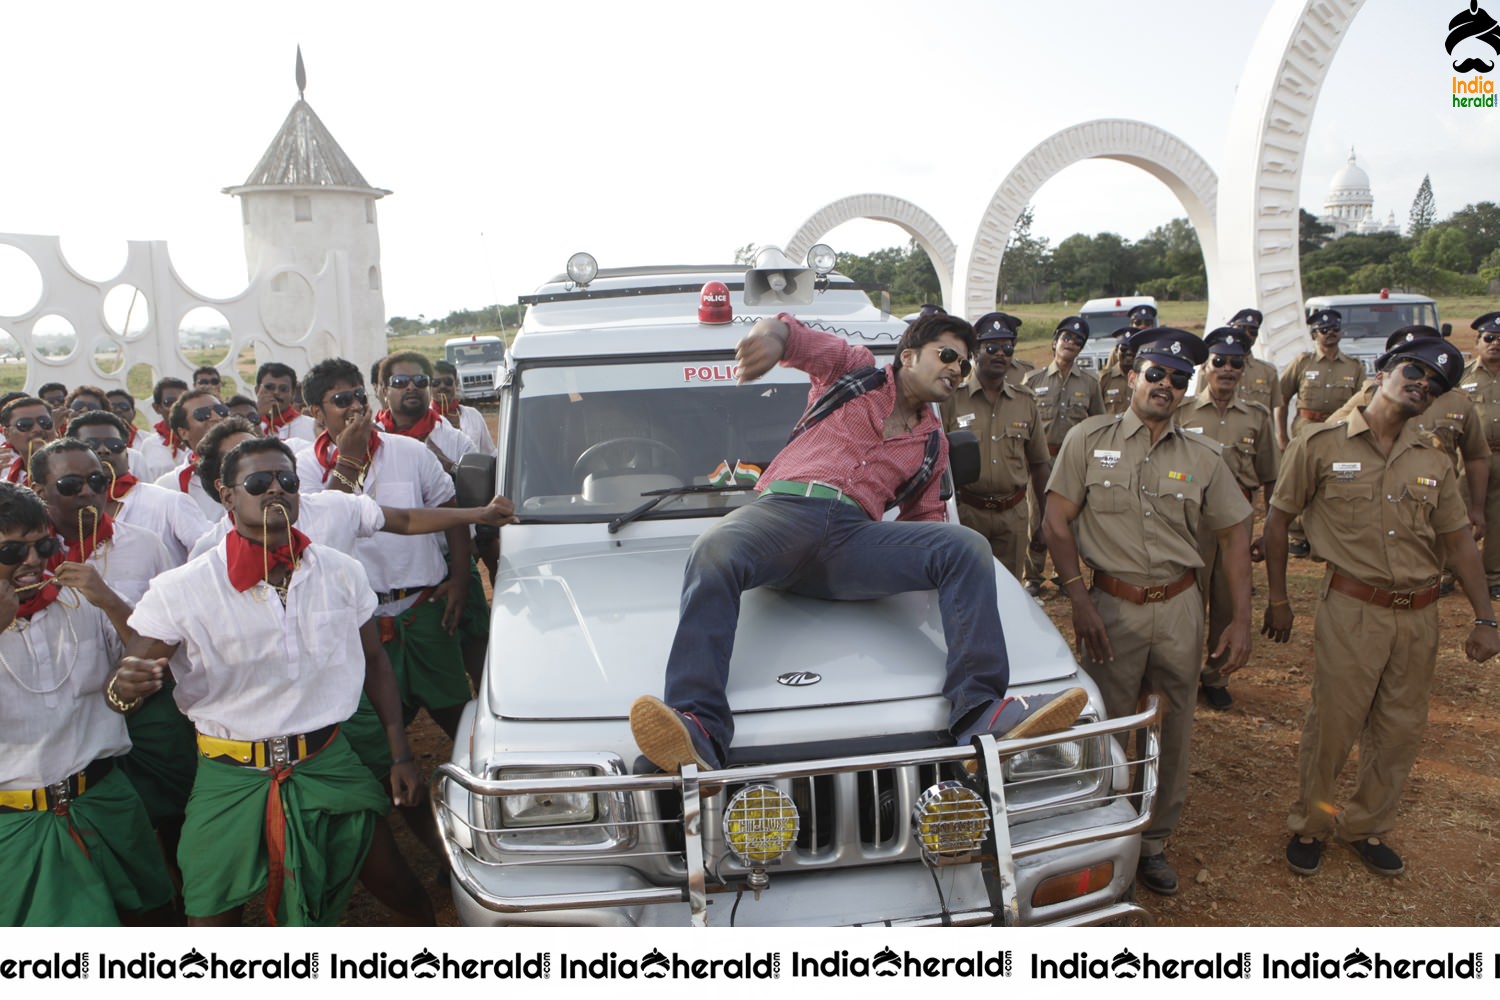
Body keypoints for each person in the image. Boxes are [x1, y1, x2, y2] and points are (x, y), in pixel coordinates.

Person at [628, 310, 1086, 777]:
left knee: (965, 546)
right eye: (947, 355)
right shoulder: (855, 371)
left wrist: (940, 586)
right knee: (715, 548)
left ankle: (981, 713)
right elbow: (796, 339)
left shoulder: (933, 443)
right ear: (908, 356)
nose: (956, 369)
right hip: (782, 514)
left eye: (963, 365)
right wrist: (769, 337)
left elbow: (925, 525)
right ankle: (698, 727)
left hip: (852, 542)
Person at [111, 437, 433, 926]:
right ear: (226, 495)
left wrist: (401, 753)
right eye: (258, 482)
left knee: (402, 891)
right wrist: (126, 688)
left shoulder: (341, 572)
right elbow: (126, 681)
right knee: (209, 913)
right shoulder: (183, 589)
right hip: (231, 773)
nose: (275, 491)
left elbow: (374, 660)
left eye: (287, 481)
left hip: (327, 761)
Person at [1262, 337, 1500, 878]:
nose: (1422, 384)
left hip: (1419, 615)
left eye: (1434, 384)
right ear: (1385, 370)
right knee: (1335, 726)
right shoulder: (1319, 444)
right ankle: (1313, 825)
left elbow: (1460, 542)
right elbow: (1278, 521)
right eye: (1413, 371)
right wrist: (1278, 599)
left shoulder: (1434, 459)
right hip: (1352, 607)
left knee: (1399, 728)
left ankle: (1366, 826)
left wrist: (1486, 617)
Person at [1042, 327, 1253, 896]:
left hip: (1181, 605)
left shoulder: (1205, 456)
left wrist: (1241, 617)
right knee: (1108, 725)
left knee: (1174, 726)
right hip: (1110, 605)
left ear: (1189, 387)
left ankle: (1154, 842)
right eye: (1156, 373)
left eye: (1179, 378)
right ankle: (1107, 840)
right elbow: (1055, 521)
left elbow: (1236, 534)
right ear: (1132, 376)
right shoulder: (1088, 439)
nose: (1167, 385)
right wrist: (1078, 596)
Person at [0, 481, 175, 926]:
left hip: (103, 799)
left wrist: (110, 600)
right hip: (14, 823)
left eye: (43, 545)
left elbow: (145, 651)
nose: (34, 561)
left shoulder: (80, 599)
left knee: (150, 922)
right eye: (12, 553)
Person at [297, 358, 474, 739]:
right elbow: (320, 533)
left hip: (422, 608)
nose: (355, 406)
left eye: (359, 395)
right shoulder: (303, 470)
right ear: (316, 412)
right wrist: (349, 458)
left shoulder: (409, 451)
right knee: (378, 734)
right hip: (360, 622)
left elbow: (451, 513)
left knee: (458, 719)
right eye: (341, 399)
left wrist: (460, 579)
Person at [1330, 326, 1489, 596]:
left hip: (1434, 495)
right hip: (1381, 496)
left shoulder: (1458, 402)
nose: (1422, 380)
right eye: (1411, 365)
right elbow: (1334, 431)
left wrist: (1476, 508)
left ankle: (1440, 579)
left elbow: (1475, 456)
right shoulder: (1372, 393)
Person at [1178, 328, 1278, 710]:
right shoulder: (1183, 411)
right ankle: (1182, 673)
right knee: (1187, 596)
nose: (1227, 369)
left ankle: (1216, 674)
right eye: (1219, 361)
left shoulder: (1256, 417)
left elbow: (1271, 475)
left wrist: (1268, 529)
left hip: (1237, 520)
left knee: (1227, 597)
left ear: (1244, 369)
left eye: (1236, 363)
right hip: (1191, 518)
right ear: (1206, 366)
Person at [939, 312, 1049, 582]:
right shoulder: (951, 399)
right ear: (975, 352)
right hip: (967, 514)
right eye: (992, 347)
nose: (1001, 354)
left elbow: (1039, 464)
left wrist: (1044, 519)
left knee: (1009, 591)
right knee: (966, 585)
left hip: (1012, 516)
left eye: (1007, 348)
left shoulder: (1025, 402)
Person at [1022, 316, 1103, 597]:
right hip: (1040, 460)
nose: (1071, 343)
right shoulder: (1033, 380)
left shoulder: (1091, 383)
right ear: (1055, 342)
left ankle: (1062, 575)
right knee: (1036, 519)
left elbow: (1098, 424)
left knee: (1070, 520)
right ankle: (1032, 575)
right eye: (1067, 338)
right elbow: (1022, 421)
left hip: (1074, 463)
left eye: (1078, 340)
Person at [67, 410, 212, 565]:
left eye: (114, 444)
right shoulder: (61, 509)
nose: (103, 450)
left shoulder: (169, 503)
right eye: (91, 445)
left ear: (127, 456)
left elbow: (210, 557)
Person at [1277, 308, 1364, 557]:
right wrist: (1281, 435)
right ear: (1314, 334)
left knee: (1337, 483)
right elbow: (1282, 398)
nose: (1330, 334)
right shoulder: (1302, 363)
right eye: (1323, 330)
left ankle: (1328, 536)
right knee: (1300, 481)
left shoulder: (1353, 366)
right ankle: (1297, 534)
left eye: (1335, 329)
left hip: (1339, 430)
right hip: (1306, 428)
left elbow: (1362, 403)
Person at [1460, 311, 1500, 600]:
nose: (1495, 343)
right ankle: (1451, 573)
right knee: (1459, 516)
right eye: (1489, 338)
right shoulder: (1461, 376)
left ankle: (1493, 576)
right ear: (1477, 342)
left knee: (1497, 518)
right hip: (1469, 457)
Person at [154, 390, 229, 520]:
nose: (216, 417)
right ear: (183, 432)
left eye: (220, 410)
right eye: (202, 414)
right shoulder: (167, 487)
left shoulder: (254, 466)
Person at [1224, 308, 1284, 415]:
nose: (1247, 334)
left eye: (1253, 331)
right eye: (1241, 329)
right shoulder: (1214, 368)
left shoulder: (1268, 372)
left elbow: (1271, 415)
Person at [433, 360, 497, 455]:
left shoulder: (473, 415)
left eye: (448, 382)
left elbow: (489, 453)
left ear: (457, 383)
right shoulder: (423, 419)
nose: (442, 386)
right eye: (436, 382)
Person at [255, 362, 318, 443]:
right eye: (269, 387)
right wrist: (256, 417)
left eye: (283, 389)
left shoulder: (312, 427)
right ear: (257, 390)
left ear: (293, 393)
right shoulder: (245, 425)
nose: (276, 392)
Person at [140, 377, 188, 481]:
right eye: (169, 402)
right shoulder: (149, 445)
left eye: (182, 401)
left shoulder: (201, 439)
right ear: (157, 408)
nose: (177, 407)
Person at [2, 396, 58, 485]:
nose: (37, 429)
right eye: (25, 424)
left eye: (44, 422)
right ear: (7, 434)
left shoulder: (76, 466)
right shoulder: (9, 481)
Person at [1098, 328, 1138, 416]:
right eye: (1124, 348)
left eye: (1134, 349)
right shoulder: (1104, 378)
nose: (1129, 352)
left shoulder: (1146, 379)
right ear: (1116, 351)